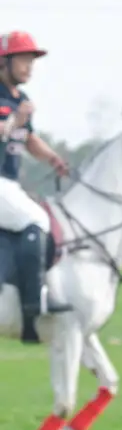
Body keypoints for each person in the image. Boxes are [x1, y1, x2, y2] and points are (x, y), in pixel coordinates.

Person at [0, 30, 72, 342]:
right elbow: (9, 129)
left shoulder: (20, 100)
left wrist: (53, 158)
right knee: (37, 220)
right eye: (23, 59)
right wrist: (14, 121)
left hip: (8, 183)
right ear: (4, 62)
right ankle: (34, 302)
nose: (29, 66)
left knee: (43, 215)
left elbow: (29, 139)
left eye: (31, 60)